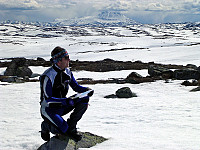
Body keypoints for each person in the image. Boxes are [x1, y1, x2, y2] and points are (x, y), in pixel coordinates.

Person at [40, 46, 93, 142]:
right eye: (67, 57)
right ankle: (46, 125)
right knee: (63, 130)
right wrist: (67, 101)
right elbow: (48, 99)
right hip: (49, 109)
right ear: (59, 61)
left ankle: (71, 126)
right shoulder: (47, 76)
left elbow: (76, 87)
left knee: (84, 99)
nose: (69, 59)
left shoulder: (68, 71)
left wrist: (86, 90)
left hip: (63, 105)